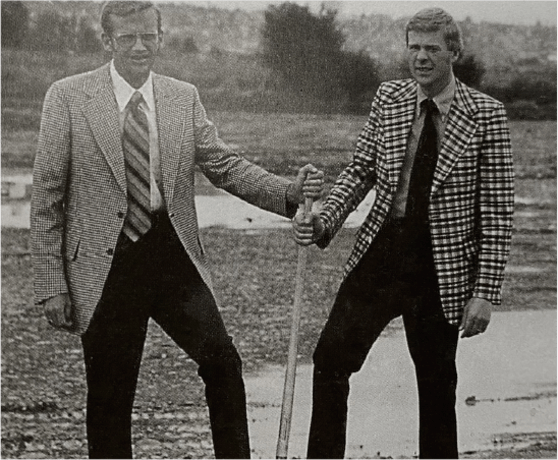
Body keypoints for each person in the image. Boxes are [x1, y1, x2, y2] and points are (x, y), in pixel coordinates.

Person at [31, 1, 323, 458]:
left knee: (224, 364)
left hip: (171, 255)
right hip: (103, 266)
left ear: (161, 37)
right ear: (107, 42)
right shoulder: (67, 96)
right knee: (110, 394)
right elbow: (47, 196)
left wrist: (287, 193)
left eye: (149, 35)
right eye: (127, 37)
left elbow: (224, 165)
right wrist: (52, 285)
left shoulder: (181, 97)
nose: (140, 45)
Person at [293, 7, 514, 459]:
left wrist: (484, 292)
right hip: (384, 252)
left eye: (432, 48)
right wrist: (323, 220)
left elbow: (496, 211)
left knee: (436, 386)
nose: (422, 58)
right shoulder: (389, 99)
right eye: (414, 47)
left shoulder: (486, 115)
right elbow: (360, 172)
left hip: (442, 267)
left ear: (454, 51)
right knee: (330, 360)